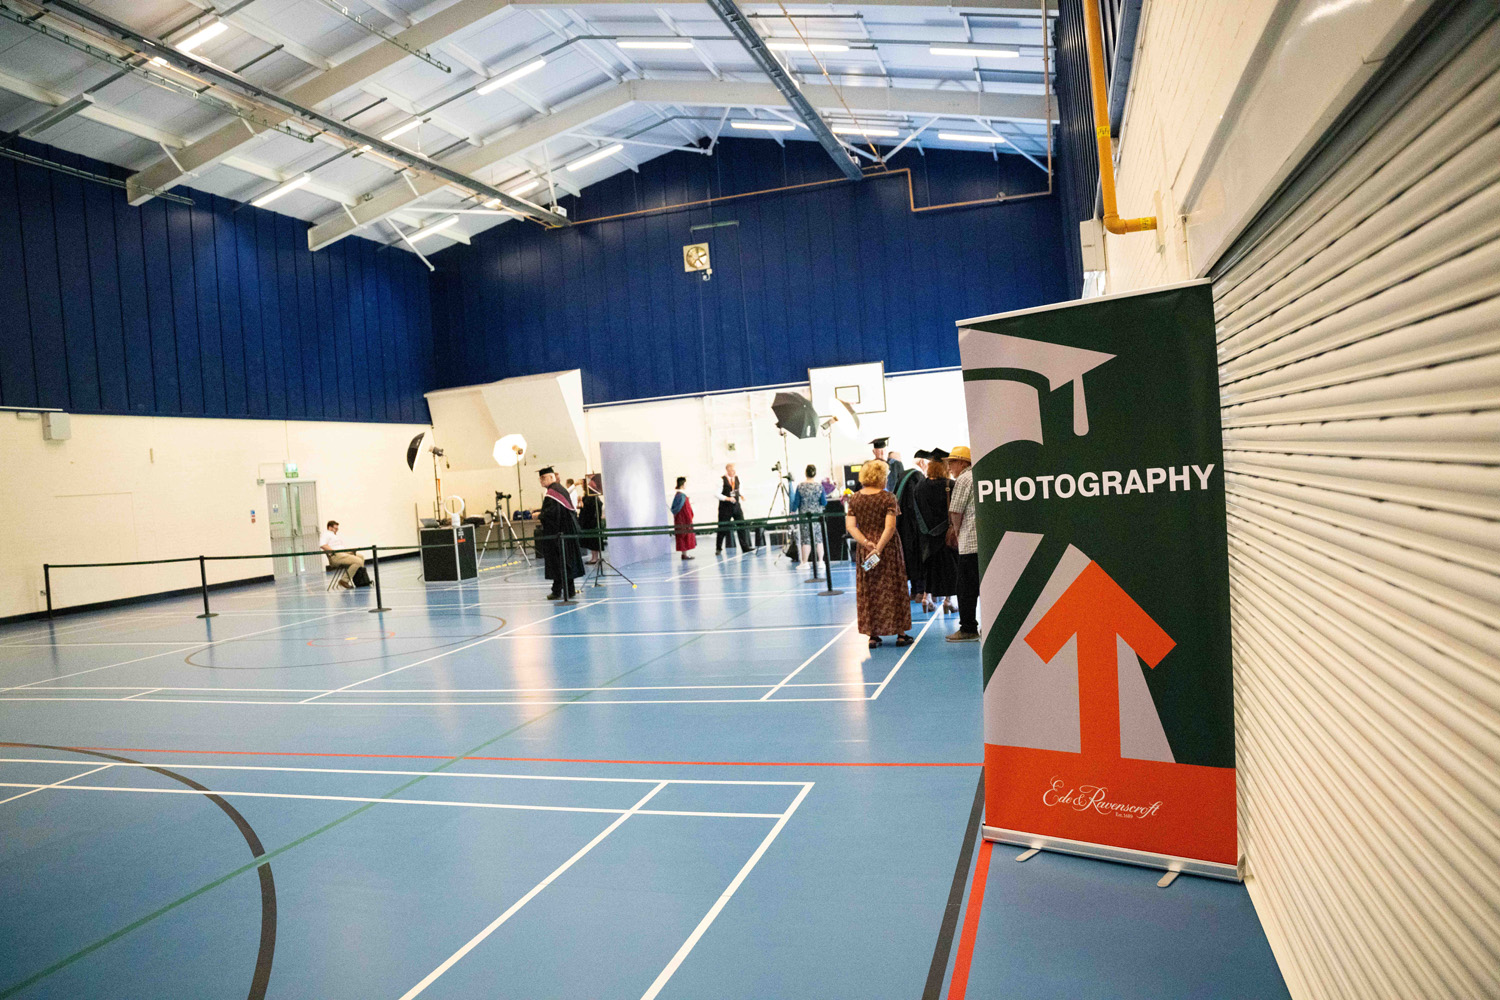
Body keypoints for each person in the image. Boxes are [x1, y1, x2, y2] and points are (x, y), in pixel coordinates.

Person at [845, 459, 912, 648]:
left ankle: (873, 636)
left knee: (870, 589)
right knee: (894, 587)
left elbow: (851, 527)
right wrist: (878, 549)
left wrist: (867, 544)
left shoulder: (855, 499)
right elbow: (890, 528)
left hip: (865, 550)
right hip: (888, 549)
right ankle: (900, 634)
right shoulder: (888, 498)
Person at [915, 457, 959, 614]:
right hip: (946, 536)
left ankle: (926, 598)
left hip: (926, 537)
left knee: (930, 568)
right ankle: (948, 601)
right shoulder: (950, 485)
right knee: (949, 569)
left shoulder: (920, 486)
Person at [946, 446, 980, 642]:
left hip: (969, 541)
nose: (949, 467)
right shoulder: (980, 475)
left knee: (965, 588)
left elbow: (956, 510)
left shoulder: (964, 478)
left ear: (962, 462)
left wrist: (957, 532)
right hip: (983, 543)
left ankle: (968, 628)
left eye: (952, 462)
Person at [536, 467, 584, 599]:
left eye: (543, 478)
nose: (541, 481)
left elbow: (552, 514)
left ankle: (560, 591)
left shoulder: (553, 493)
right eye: (540, 478)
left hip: (558, 535)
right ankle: (566, 590)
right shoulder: (560, 490)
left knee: (559, 562)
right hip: (566, 533)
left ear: (551, 477)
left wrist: (540, 515)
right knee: (564, 562)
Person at [894, 449, 928, 605]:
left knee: (908, 557)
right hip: (915, 526)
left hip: (902, 525)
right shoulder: (917, 477)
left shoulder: (902, 475)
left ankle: (914, 590)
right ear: (922, 462)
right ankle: (920, 591)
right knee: (918, 557)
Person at [716, 463, 756, 555]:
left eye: (734, 470)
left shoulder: (737, 478)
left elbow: (739, 489)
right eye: (731, 470)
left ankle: (745, 547)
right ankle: (718, 548)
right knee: (722, 528)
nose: (733, 472)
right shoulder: (721, 480)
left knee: (741, 525)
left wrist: (742, 495)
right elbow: (716, 494)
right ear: (727, 470)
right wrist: (727, 498)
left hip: (736, 506)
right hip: (725, 507)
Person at [789, 464, 826, 564]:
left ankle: (804, 563)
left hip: (804, 517)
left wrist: (792, 512)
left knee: (806, 540)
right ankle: (821, 561)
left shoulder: (800, 486)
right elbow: (824, 502)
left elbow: (796, 502)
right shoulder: (819, 486)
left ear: (806, 473)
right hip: (817, 517)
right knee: (819, 539)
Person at [319, 520, 363, 590]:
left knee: (360, 557)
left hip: (343, 554)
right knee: (358, 561)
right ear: (330, 527)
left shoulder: (335, 535)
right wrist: (333, 552)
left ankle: (361, 579)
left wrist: (349, 552)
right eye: (335, 528)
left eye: (337, 528)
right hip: (336, 556)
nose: (337, 530)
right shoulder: (326, 534)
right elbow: (322, 545)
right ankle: (344, 580)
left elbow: (340, 547)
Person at [578, 474, 605, 566]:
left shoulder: (591, 496)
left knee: (593, 540)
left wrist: (581, 502)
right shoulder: (589, 496)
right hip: (590, 521)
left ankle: (595, 558)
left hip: (592, 522)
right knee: (591, 540)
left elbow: (587, 508)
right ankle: (594, 557)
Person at [671, 476, 696, 561]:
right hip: (684, 520)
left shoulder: (678, 495)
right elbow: (684, 509)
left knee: (682, 536)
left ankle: (684, 554)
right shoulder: (682, 496)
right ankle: (685, 554)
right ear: (682, 484)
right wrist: (689, 519)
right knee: (684, 536)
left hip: (680, 519)